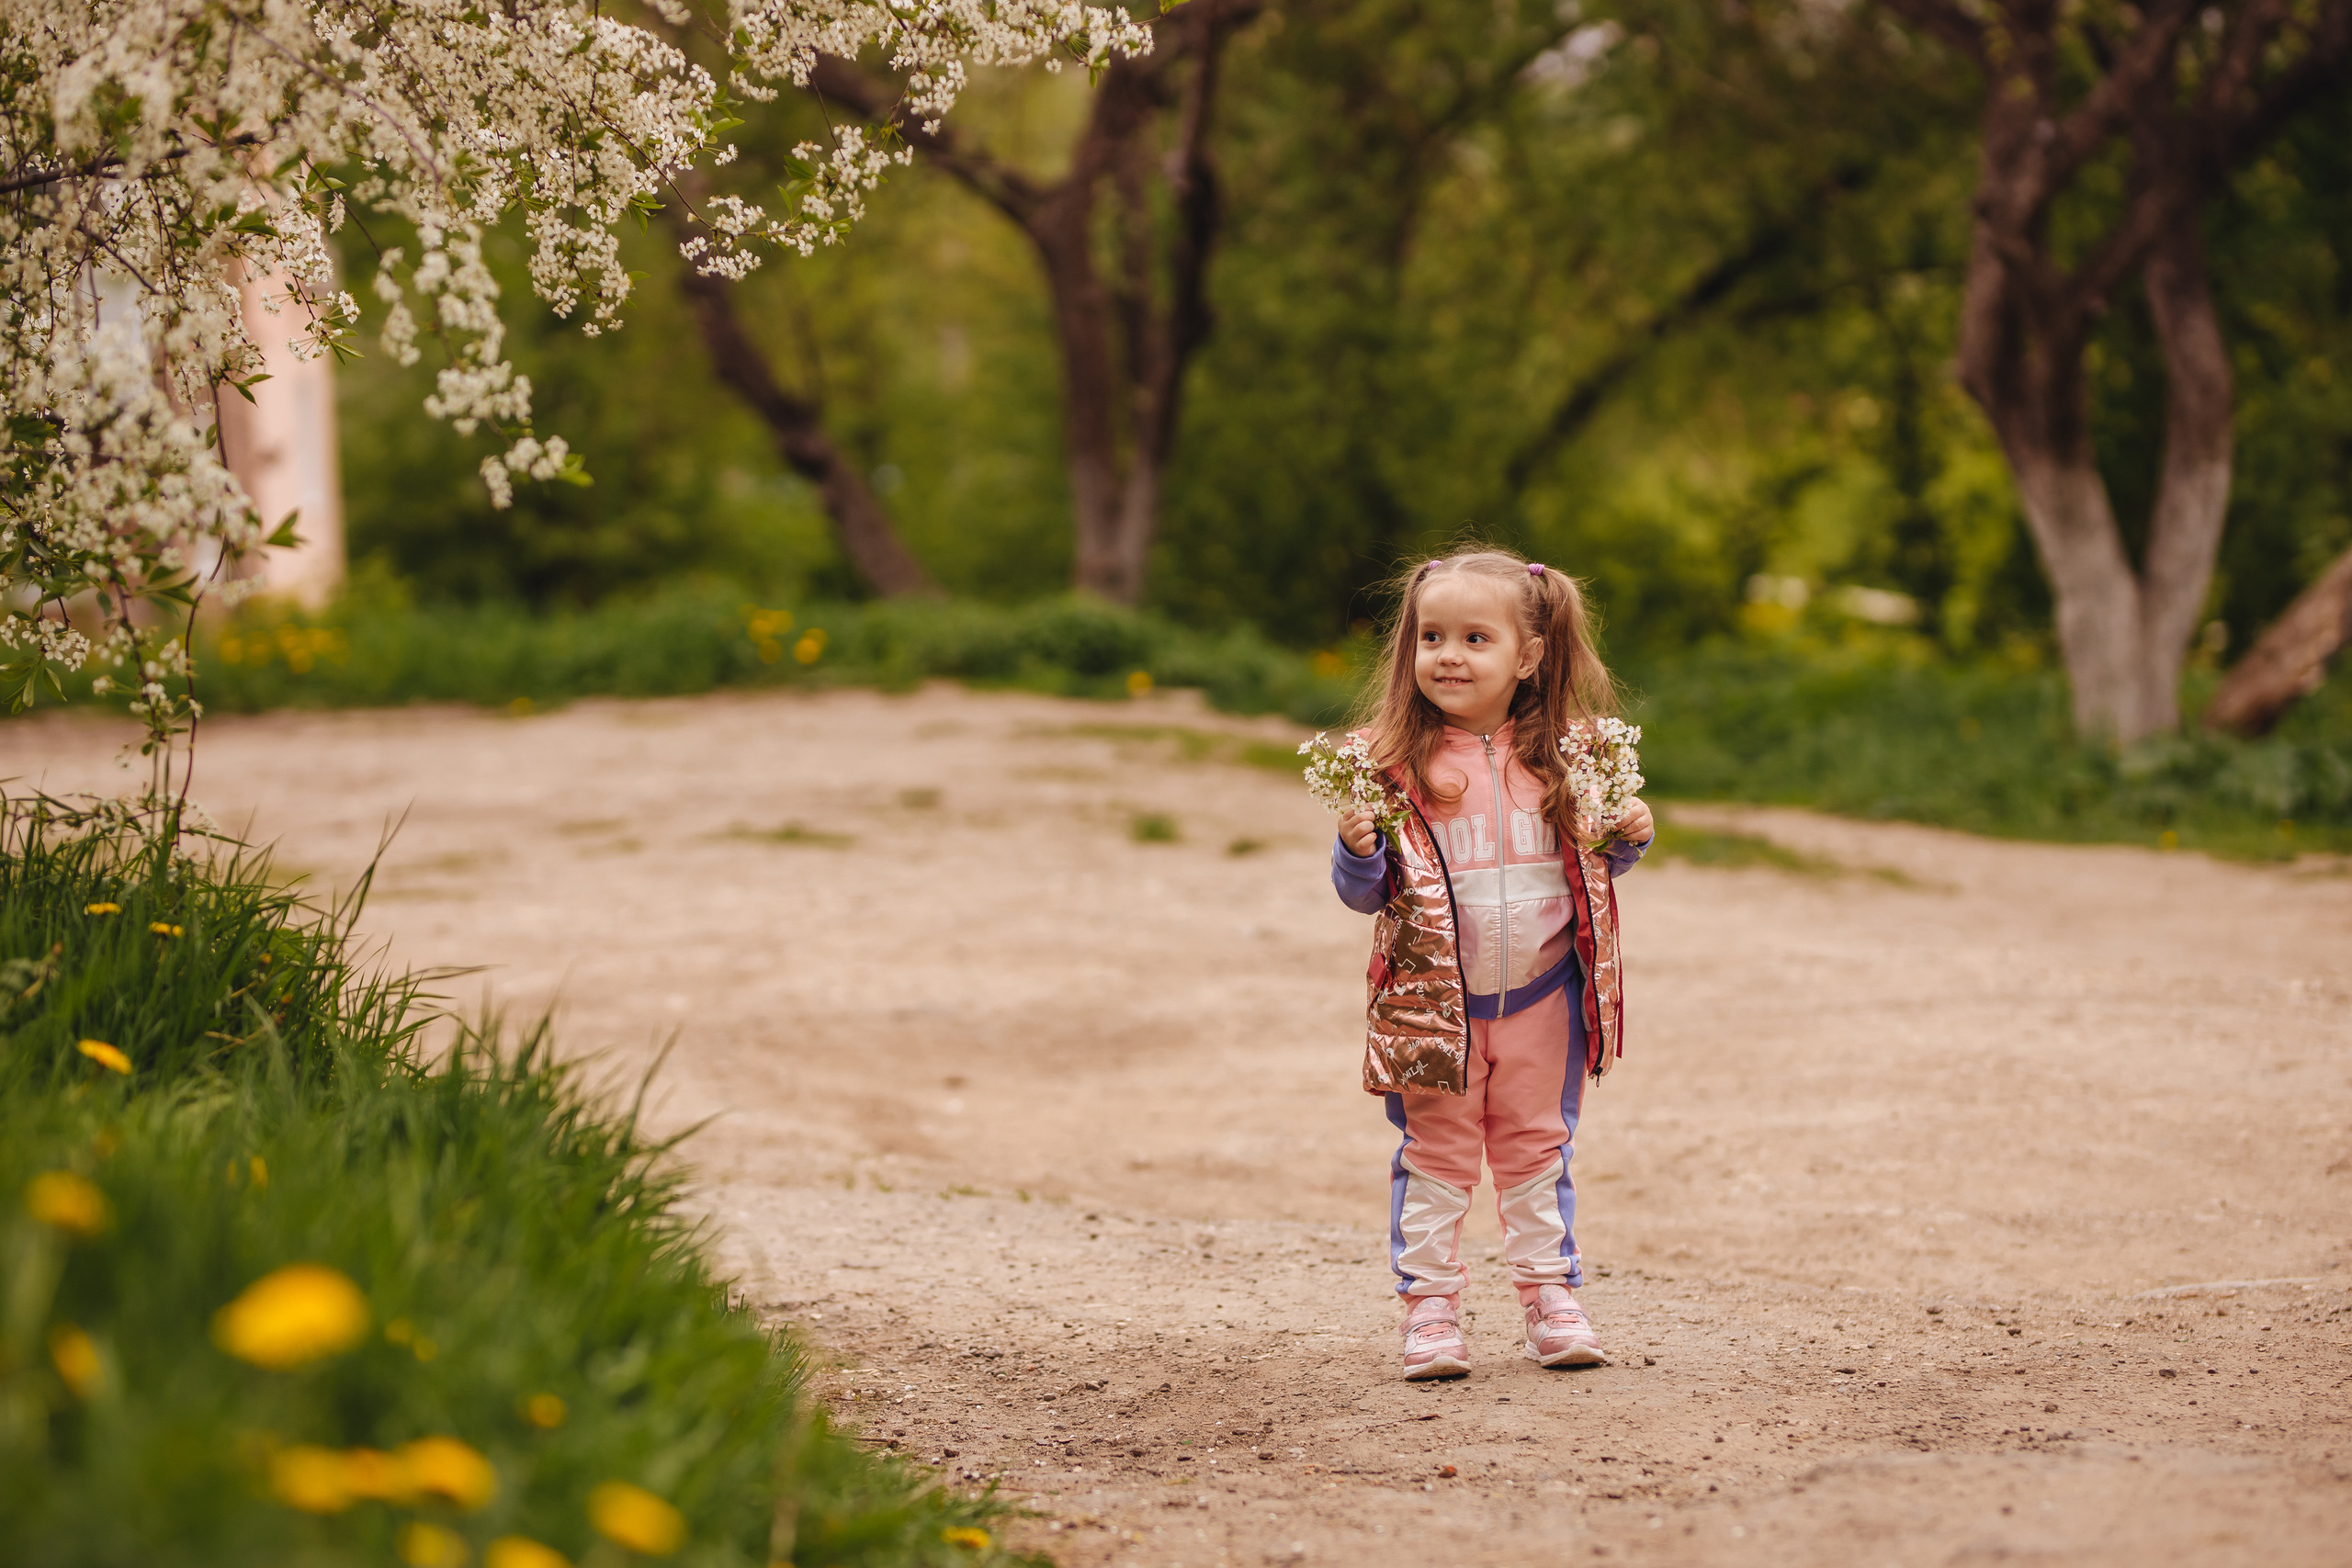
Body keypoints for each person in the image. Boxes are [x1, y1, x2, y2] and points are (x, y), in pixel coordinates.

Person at [1330, 549, 1653, 1381]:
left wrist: (1628, 836)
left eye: (1476, 637)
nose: (1448, 655)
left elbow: (1586, 871)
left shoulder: (1569, 758)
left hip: (1543, 999)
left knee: (1538, 1149)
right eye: (1430, 636)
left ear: (1530, 656)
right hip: (1435, 1004)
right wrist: (1356, 851)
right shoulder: (1393, 762)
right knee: (1436, 1156)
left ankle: (1551, 1296)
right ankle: (1430, 1309)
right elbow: (1367, 896)